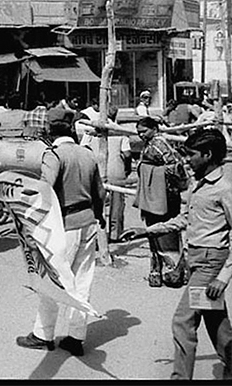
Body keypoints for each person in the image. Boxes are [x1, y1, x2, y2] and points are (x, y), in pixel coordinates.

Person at [121, 128, 232, 380]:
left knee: (183, 322)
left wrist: (223, 276)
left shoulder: (225, 189)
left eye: (192, 155)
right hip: (197, 259)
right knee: (217, 324)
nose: (187, 160)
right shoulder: (199, 185)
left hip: (210, 264)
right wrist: (146, 231)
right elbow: (185, 218)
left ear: (207, 154)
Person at [16, 107, 105, 357]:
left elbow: (46, 190)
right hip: (88, 222)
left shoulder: (54, 155)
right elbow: (100, 193)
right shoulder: (87, 154)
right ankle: (76, 338)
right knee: (82, 281)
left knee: (51, 281)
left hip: (64, 226)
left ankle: (43, 335)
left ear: (49, 131)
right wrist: (99, 218)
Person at [134, 116, 187, 287]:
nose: (141, 135)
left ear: (154, 129)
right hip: (155, 196)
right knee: (154, 233)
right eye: (139, 132)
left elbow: (177, 167)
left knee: (166, 232)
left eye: (144, 131)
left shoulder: (160, 144)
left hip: (165, 196)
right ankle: (158, 271)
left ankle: (174, 273)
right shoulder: (150, 144)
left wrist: (155, 173)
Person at [79, 108, 132, 241]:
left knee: (96, 203)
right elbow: (127, 154)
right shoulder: (120, 133)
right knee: (117, 205)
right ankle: (115, 233)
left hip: (96, 171)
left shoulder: (91, 132)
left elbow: (83, 148)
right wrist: (127, 168)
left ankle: (96, 234)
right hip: (116, 170)